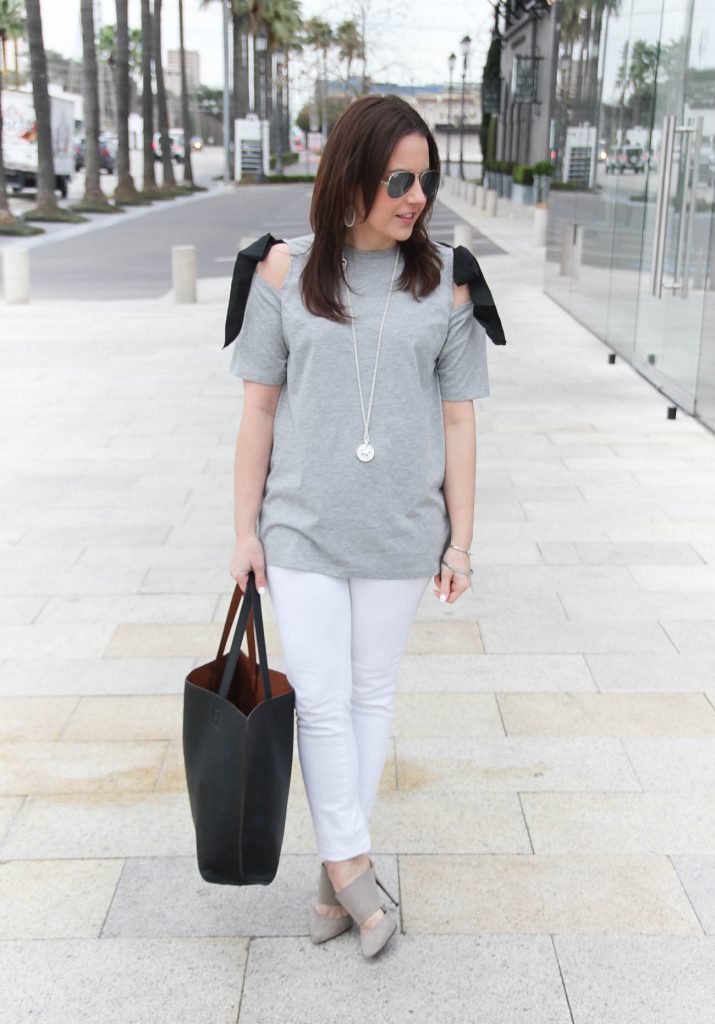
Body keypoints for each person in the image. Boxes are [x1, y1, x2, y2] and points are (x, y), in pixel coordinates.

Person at [225, 94, 502, 959]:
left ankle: (332, 872)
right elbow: (258, 414)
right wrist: (243, 532)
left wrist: (459, 540)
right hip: (301, 530)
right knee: (320, 700)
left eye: (425, 179)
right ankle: (351, 866)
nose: (415, 196)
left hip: (398, 532)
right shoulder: (280, 274)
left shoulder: (449, 279)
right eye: (397, 179)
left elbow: (459, 421)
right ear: (349, 176)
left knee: (371, 693)